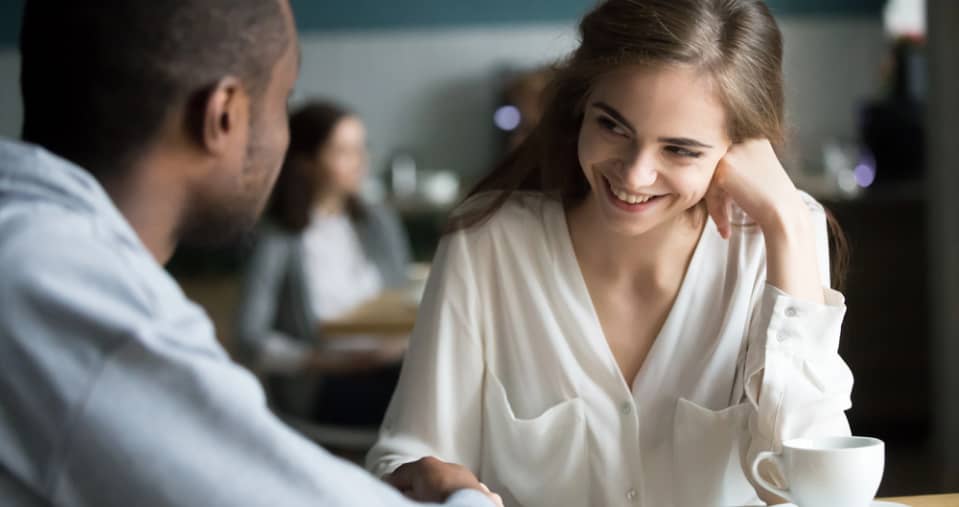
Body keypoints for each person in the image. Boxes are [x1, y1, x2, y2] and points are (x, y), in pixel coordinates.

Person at [0, 1, 499, 506]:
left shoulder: (28, 239)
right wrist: (468, 496)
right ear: (223, 115)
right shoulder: (83, 304)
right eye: (282, 102)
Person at [366, 0, 854, 506]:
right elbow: (407, 461)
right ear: (581, 105)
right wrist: (435, 486)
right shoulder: (487, 244)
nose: (635, 175)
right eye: (613, 126)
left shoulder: (779, 239)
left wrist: (787, 225)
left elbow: (813, 487)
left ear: (741, 150)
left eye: (680, 149)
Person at [236, 101, 411, 425]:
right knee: (425, 409)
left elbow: (402, 302)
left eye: (361, 149)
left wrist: (396, 347)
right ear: (305, 162)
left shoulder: (377, 222)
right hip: (323, 382)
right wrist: (328, 362)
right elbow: (249, 338)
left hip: (391, 366)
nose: (360, 163)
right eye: (342, 152)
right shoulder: (277, 237)